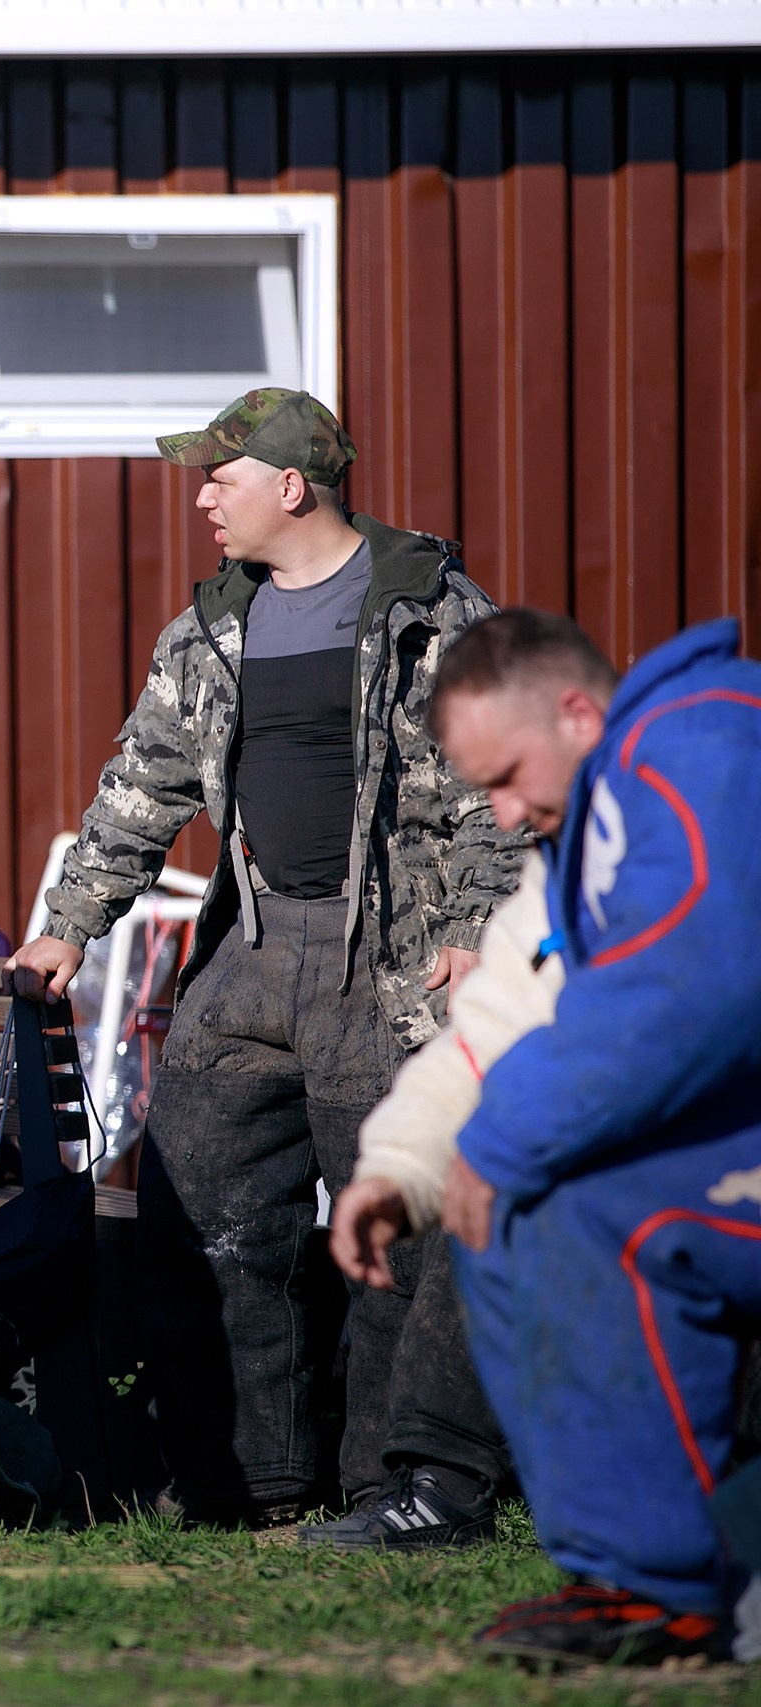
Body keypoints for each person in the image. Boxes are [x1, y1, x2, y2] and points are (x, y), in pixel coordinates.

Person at [6, 388, 525, 1542]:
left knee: (393, 1235)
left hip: (392, 973)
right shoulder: (206, 631)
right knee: (207, 1225)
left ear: (291, 486)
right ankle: (245, 1488)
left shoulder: (432, 614)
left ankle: (402, 1492)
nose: (200, 500)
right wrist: (68, 923)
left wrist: (476, 929)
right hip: (246, 956)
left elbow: (507, 781)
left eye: (218, 480)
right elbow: (143, 788)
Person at [336, 610, 761, 1667]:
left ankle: (654, 1586)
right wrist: (401, 1165)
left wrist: (502, 1147)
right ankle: (638, 1576)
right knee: (524, 1200)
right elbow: (492, 1037)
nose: (504, 810)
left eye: (510, 776)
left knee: (565, 1205)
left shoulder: (702, 744)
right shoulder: (580, 847)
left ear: (577, 712)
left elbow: (697, 981)